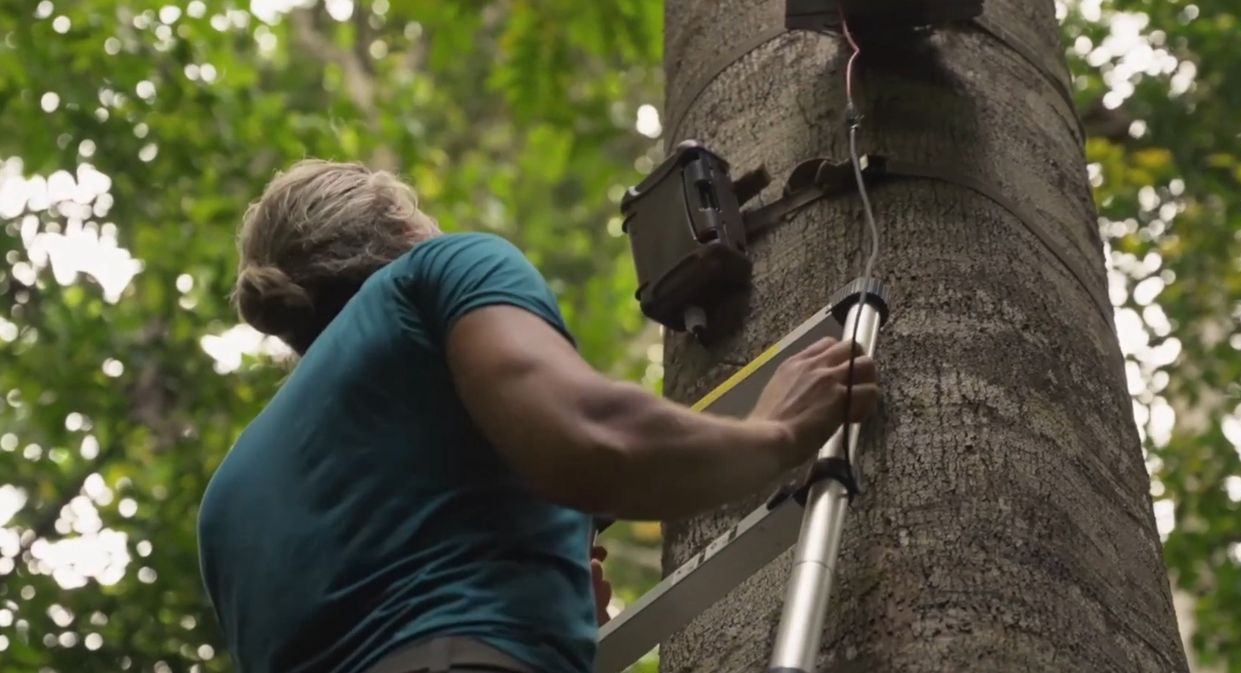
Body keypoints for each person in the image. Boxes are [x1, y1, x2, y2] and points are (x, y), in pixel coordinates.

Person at [196, 159, 880, 673]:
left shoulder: (224, 501)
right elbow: (592, 439)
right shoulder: (435, 273)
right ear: (406, 228)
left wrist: (538, 596)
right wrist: (773, 432)